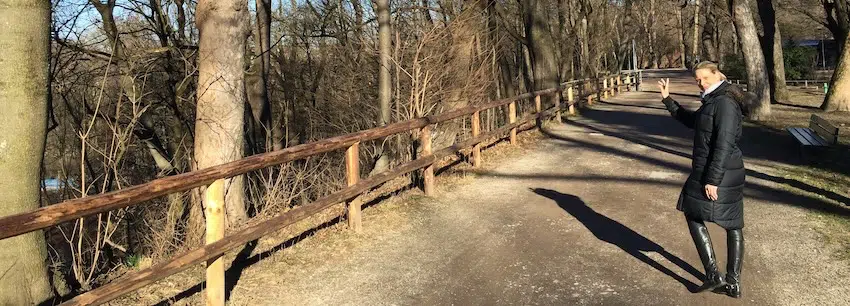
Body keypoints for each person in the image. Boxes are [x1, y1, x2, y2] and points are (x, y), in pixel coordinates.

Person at [656, 61, 746, 298]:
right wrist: (668, 100)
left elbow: (724, 144)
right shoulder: (713, 100)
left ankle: (717, 276)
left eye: (705, 78)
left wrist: (713, 180)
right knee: (730, 223)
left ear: (717, 74)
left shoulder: (724, 103)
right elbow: (692, 122)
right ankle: (729, 283)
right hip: (718, 170)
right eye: (697, 79)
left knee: (702, 214)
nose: (701, 83)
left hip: (718, 171)